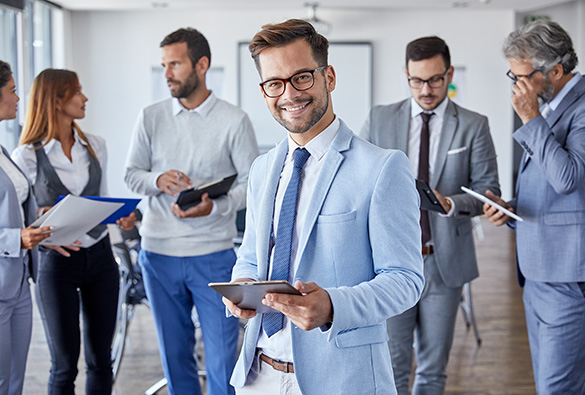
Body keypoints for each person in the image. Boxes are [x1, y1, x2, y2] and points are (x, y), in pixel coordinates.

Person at [223, 19, 424, 395]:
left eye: (302, 77)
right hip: (258, 375)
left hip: (342, 378)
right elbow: (250, 257)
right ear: (264, 90)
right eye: (275, 83)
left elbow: (406, 280)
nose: (289, 94)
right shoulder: (263, 169)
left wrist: (334, 305)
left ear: (328, 77)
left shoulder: (382, 168)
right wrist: (243, 286)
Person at [360, 36, 500, 394]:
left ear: (449, 74)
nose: (426, 89)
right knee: (391, 365)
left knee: (433, 369)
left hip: (443, 262)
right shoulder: (379, 118)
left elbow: (489, 190)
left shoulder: (473, 125)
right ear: (405, 75)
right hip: (390, 262)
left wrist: (450, 204)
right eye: (417, 80)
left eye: (436, 80)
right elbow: (356, 179)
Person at [124, 27, 258, 395]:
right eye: (164, 64)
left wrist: (216, 206)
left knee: (222, 358)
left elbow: (253, 185)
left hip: (213, 254)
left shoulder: (234, 120)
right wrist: (157, 180)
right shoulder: (150, 117)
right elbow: (131, 175)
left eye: (176, 64)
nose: (167, 73)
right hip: (158, 254)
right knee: (174, 353)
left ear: (202, 65)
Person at [11, 68, 134, 395]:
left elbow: (103, 199)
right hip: (57, 264)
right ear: (56, 100)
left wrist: (122, 218)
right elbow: (19, 220)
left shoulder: (95, 145)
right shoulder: (25, 157)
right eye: (77, 91)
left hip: (101, 259)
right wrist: (37, 223)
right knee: (64, 364)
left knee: (100, 360)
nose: (85, 98)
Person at [484, 20, 585, 393]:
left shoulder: (581, 107)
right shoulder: (550, 104)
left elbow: (568, 178)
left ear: (555, 71)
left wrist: (530, 118)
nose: (516, 85)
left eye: (523, 75)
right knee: (550, 384)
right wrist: (510, 209)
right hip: (538, 272)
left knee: (557, 389)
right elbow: (555, 193)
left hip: (567, 276)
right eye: (513, 74)